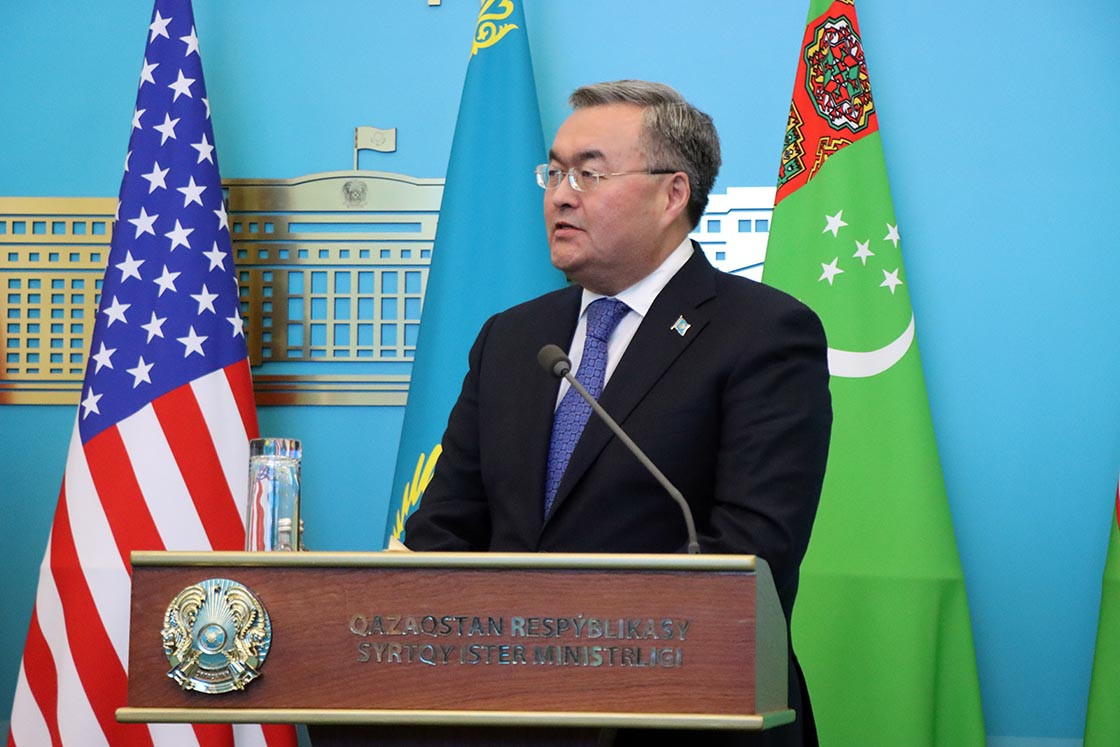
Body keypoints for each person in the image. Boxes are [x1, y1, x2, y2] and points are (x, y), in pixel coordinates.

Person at [404, 79, 832, 747]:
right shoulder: (512, 338)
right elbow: (443, 528)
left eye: (590, 173)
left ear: (673, 194)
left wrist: (571, 649)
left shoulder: (764, 333)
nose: (560, 194)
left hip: (681, 716)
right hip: (506, 712)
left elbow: (751, 554)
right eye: (553, 172)